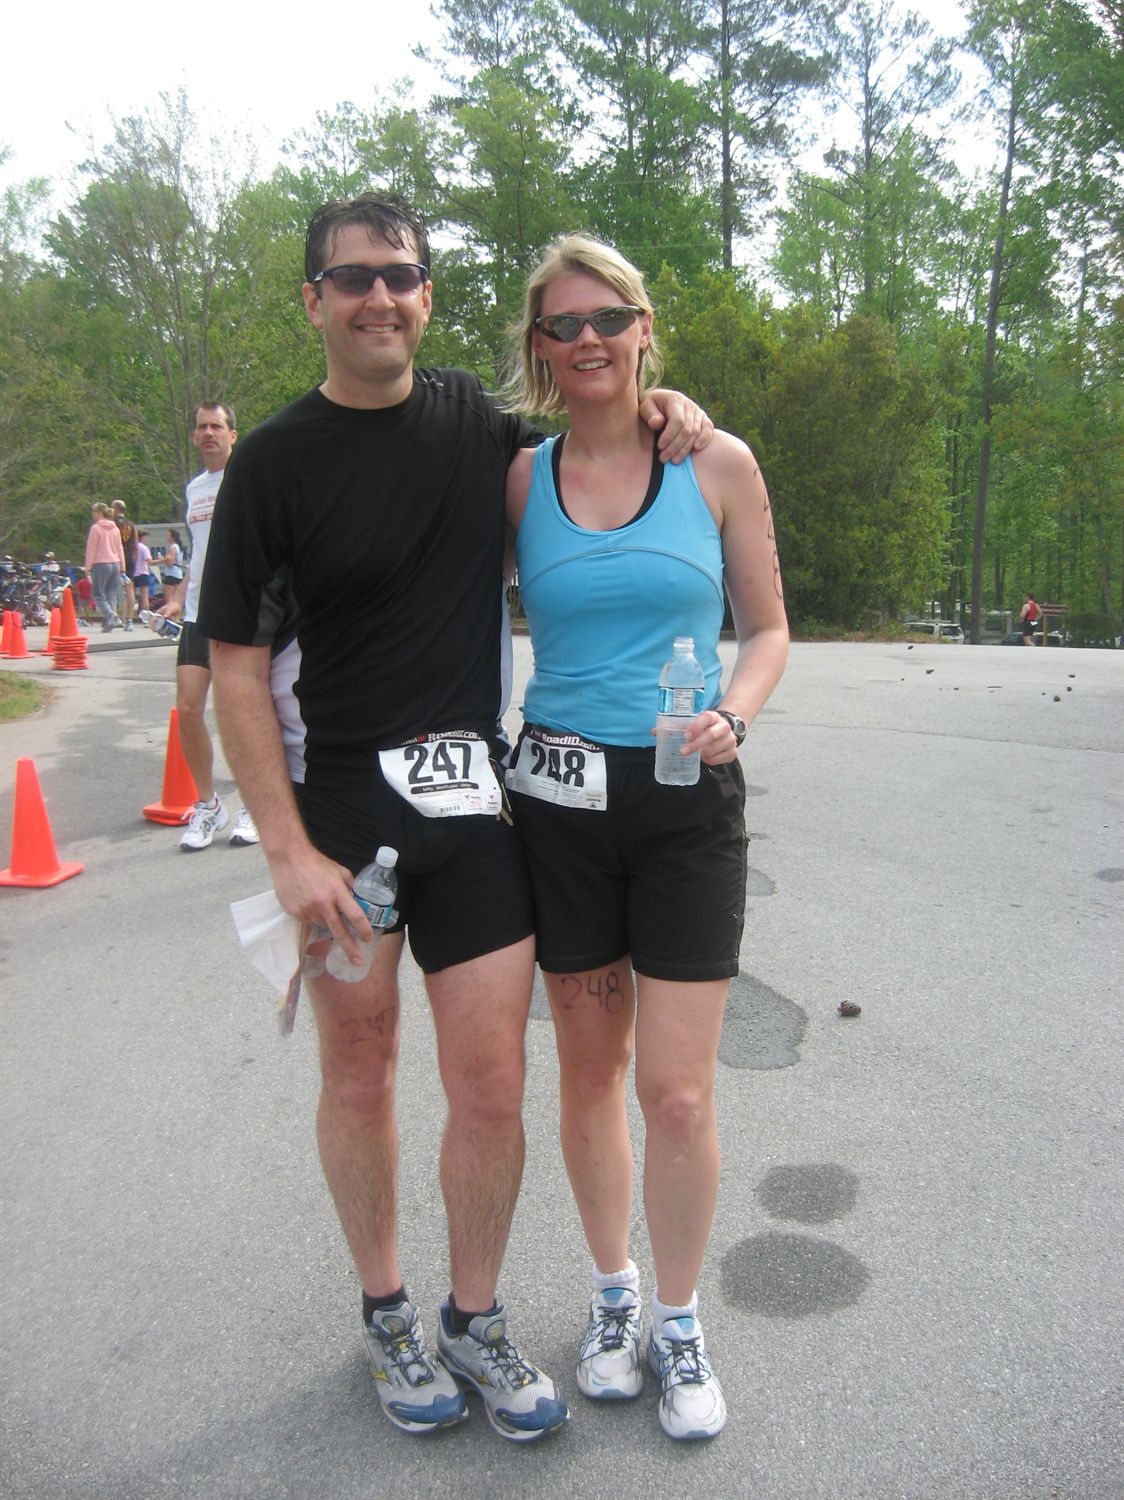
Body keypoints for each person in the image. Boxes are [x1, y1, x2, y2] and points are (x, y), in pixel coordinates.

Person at [197, 192, 709, 1444]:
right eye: (353, 277)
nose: (379, 297)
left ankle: (473, 1317)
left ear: (426, 296)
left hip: (475, 810)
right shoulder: (271, 463)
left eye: (400, 275)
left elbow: (596, 430)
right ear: (314, 300)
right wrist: (285, 850)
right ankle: (386, 1315)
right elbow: (232, 670)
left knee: (489, 1081)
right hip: (339, 819)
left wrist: (667, 407)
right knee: (360, 1071)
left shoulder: (475, 426)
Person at [502, 235, 789, 1441]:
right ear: (537, 347)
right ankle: (611, 1297)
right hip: (560, 808)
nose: (586, 340)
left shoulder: (714, 461)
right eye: (562, 324)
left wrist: (735, 712)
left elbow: (766, 630)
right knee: (588, 1075)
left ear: (641, 328)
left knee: (673, 1092)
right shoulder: (518, 480)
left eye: (606, 319)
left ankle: (679, 1320)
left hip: (684, 806)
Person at [158, 405, 259, 851]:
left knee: (246, 715)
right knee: (188, 707)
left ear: (232, 434)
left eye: (216, 426)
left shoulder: (251, 476)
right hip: (198, 614)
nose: (208, 433)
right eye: (201, 427)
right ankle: (208, 805)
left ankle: (254, 806)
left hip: (240, 612)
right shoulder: (195, 488)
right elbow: (197, 554)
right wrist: (178, 598)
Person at [84, 502, 126, 631]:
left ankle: (111, 614)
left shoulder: (96, 528)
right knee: (111, 593)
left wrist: (88, 567)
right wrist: (122, 565)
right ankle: (110, 622)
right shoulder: (115, 528)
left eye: (94, 512)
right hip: (115, 563)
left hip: (101, 563)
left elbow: (91, 549)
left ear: (99, 513)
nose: (92, 515)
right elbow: (120, 548)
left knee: (98, 594)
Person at [111, 500, 139, 631]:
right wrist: (134, 558)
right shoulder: (131, 525)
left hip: (116, 557)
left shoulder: (112, 524)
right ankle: (129, 620)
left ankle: (115, 617)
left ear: (116, 509)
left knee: (112, 589)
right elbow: (135, 544)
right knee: (130, 589)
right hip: (129, 558)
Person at [133, 530, 153, 614]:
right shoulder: (144, 548)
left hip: (133, 574)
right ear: (142, 537)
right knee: (144, 597)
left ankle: (127, 616)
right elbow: (150, 562)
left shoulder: (132, 547)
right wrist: (162, 560)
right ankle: (146, 616)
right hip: (143, 573)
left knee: (131, 596)